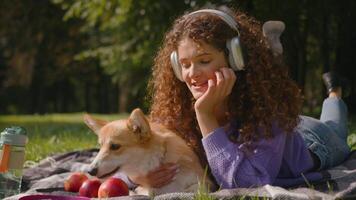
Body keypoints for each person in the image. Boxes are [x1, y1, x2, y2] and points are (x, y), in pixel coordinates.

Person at [115, 6, 351, 189]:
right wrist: (137, 176)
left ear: (235, 59)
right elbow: (138, 150)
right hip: (289, 130)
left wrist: (205, 115)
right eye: (185, 65)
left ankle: (334, 91)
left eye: (204, 61)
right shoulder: (177, 109)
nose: (192, 74)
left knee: (337, 129)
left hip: (314, 144)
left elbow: (245, 183)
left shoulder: (266, 109)